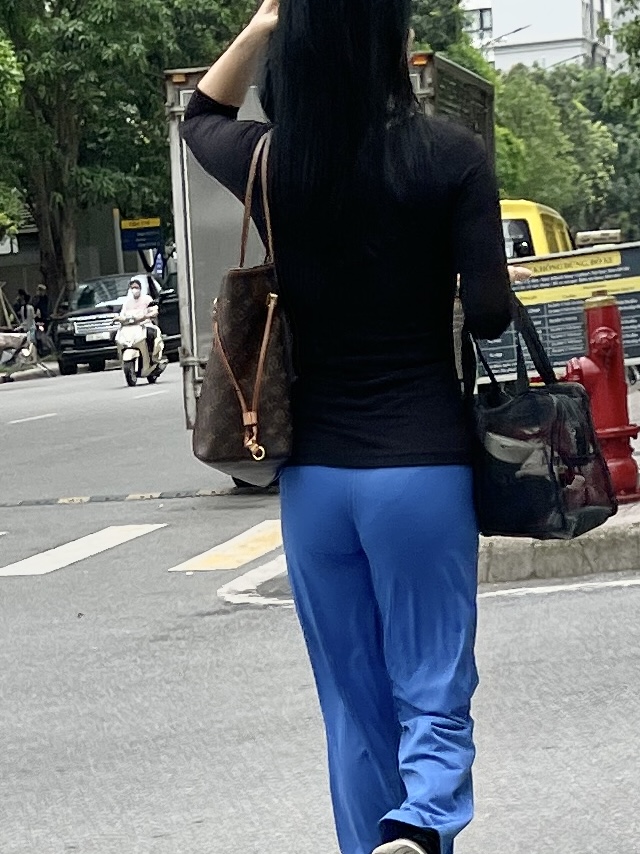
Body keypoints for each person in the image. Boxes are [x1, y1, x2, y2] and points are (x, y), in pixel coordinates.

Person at [182, 2, 513, 853]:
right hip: (421, 469)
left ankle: (373, 842)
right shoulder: (451, 157)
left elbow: (201, 115)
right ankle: (425, 820)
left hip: (315, 484)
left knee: (352, 702)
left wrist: (263, 24)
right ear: (391, 44)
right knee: (431, 684)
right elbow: (488, 315)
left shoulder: (273, 161)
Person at [118, 276, 163, 361]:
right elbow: (122, 314)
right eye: (132, 288)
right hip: (131, 328)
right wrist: (119, 319)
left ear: (140, 288)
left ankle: (151, 356)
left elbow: (154, 310)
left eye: (136, 287)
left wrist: (148, 315)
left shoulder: (147, 299)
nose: (134, 290)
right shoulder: (127, 302)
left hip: (145, 325)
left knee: (150, 334)